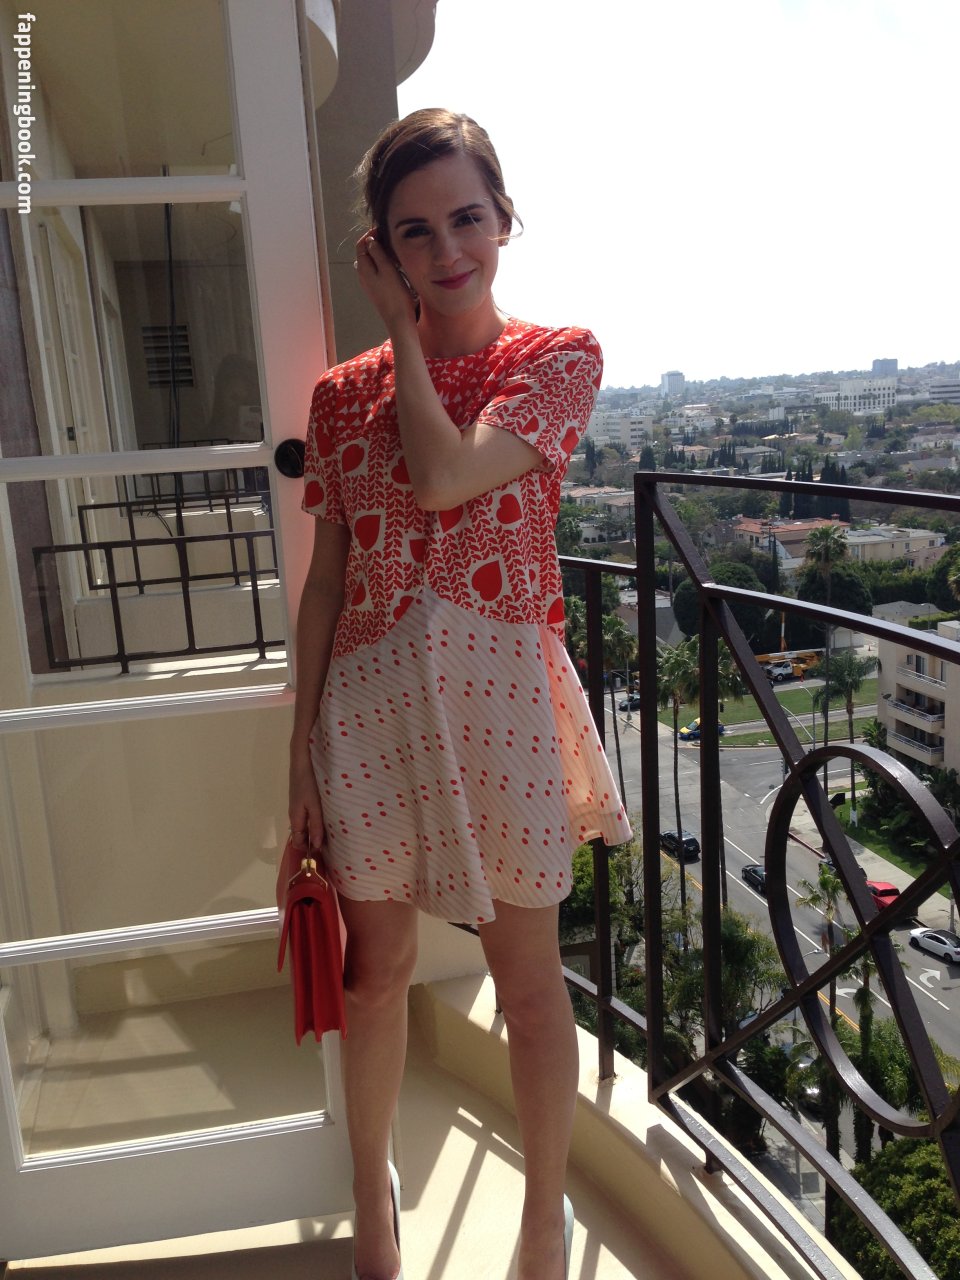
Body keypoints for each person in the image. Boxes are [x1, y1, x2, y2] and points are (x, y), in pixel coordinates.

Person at [288, 107, 631, 1280]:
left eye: (467, 219)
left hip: (505, 701)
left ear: (504, 218)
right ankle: (371, 1192)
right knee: (375, 971)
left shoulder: (558, 357)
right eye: (414, 231)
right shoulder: (339, 396)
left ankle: (542, 1219)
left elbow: (442, 476)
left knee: (530, 989)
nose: (446, 251)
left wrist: (403, 334)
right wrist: (297, 761)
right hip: (369, 704)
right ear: (380, 246)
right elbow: (326, 581)